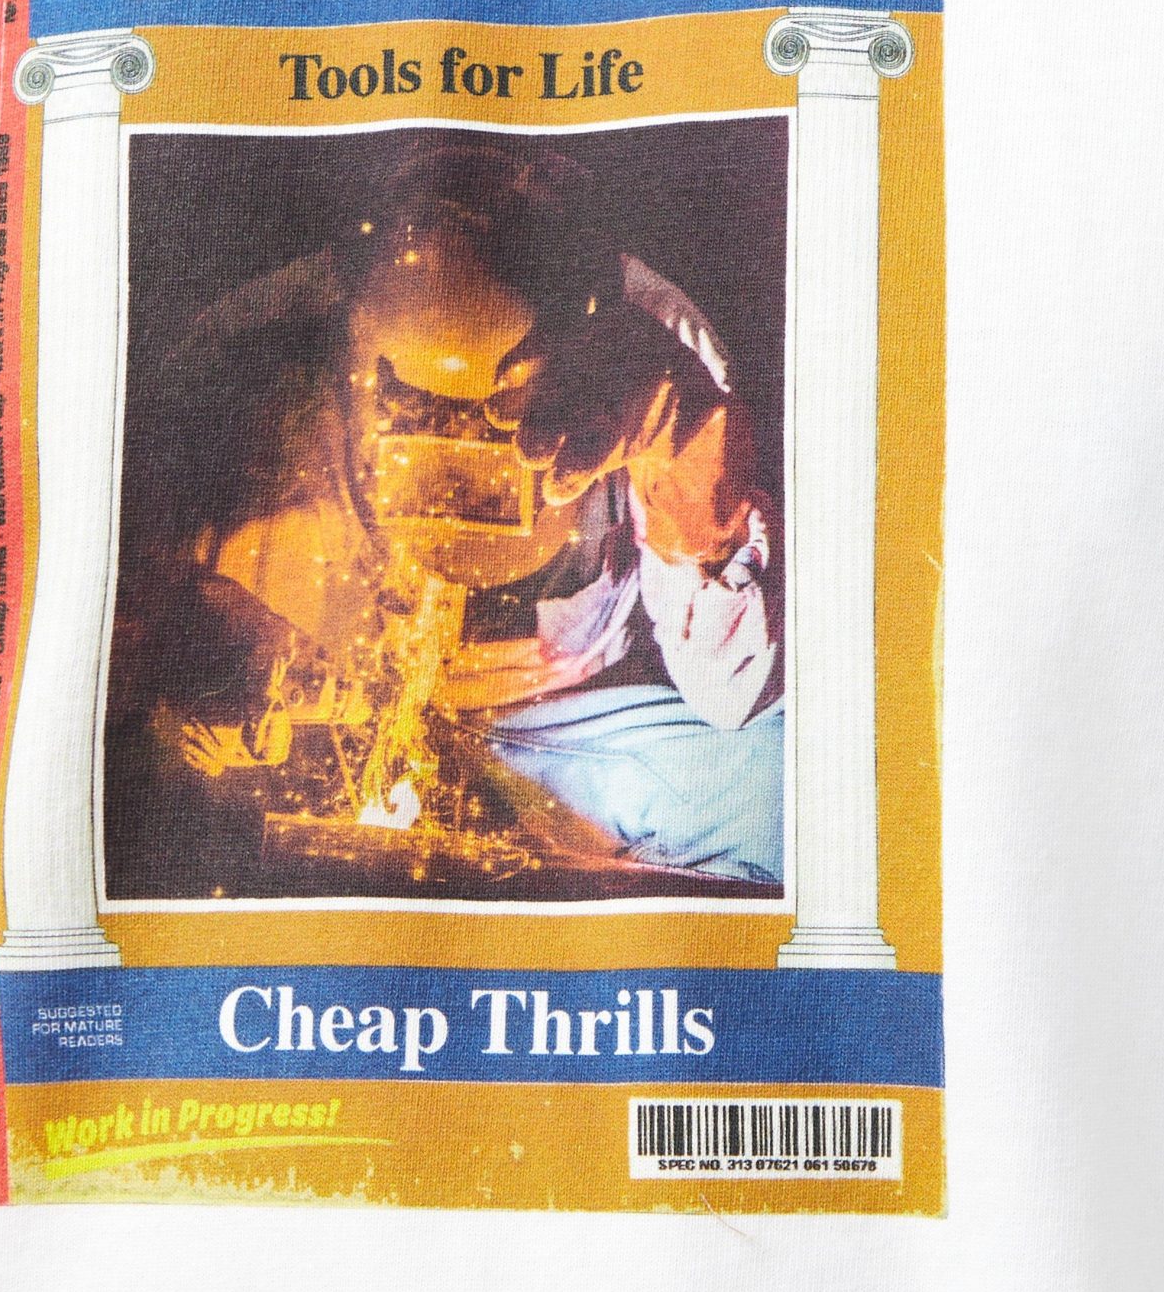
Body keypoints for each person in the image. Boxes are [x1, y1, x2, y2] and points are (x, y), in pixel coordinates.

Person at [104, 139, 784, 892]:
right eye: (417, 407)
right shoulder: (237, 362)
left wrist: (699, 512)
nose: (462, 464)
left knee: (777, 795)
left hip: (558, 721)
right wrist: (175, 636)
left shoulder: (659, 358)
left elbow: (732, 693)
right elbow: (121, 625)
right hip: (315, 718)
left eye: (498, 414)